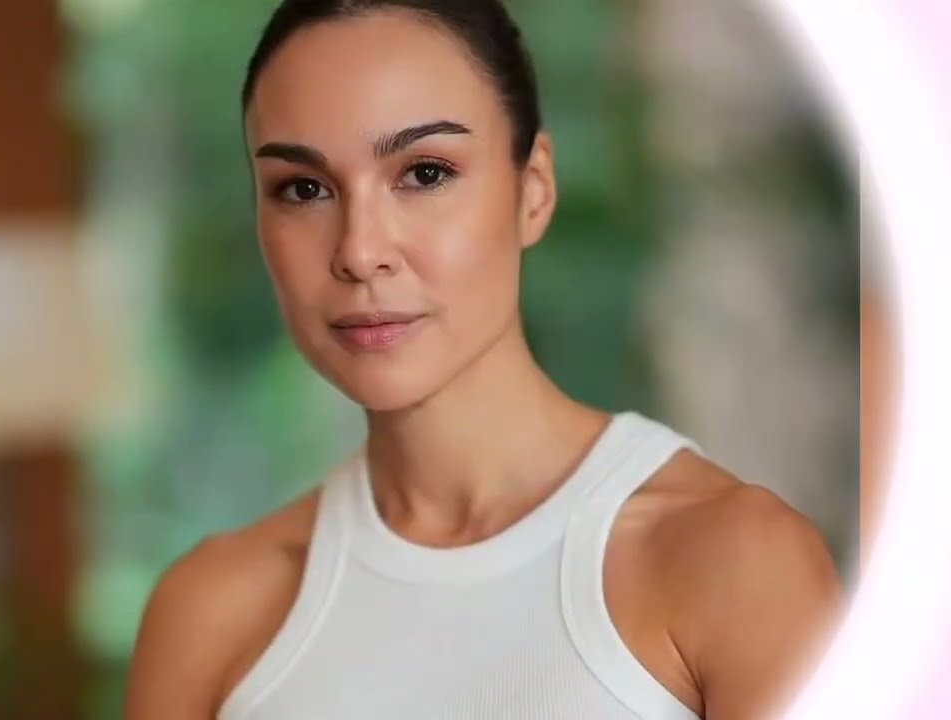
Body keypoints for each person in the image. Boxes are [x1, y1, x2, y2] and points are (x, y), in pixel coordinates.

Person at [125, 1, 842, 718]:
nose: (359, 251)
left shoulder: (737, 566)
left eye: (424, 173)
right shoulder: (209, 615)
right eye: (303, 189)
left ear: (534, 190)